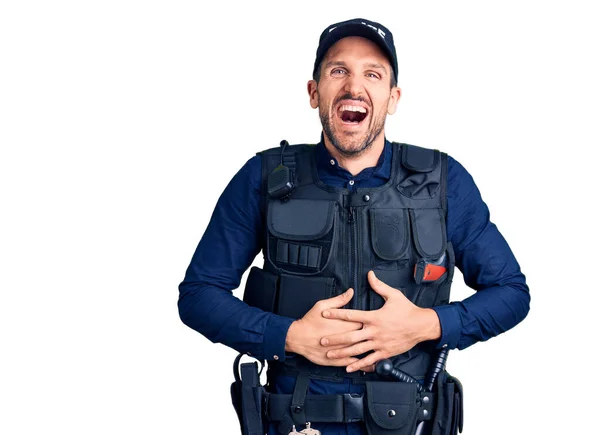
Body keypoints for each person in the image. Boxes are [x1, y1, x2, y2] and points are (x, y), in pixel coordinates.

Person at [178, 18, 530, 435]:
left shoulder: (444, 181)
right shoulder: (262, 177)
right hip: (297, 421)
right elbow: (198, 296)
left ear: (392, 97)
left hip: (409, 421)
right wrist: (288, 335)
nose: (353, 86)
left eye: (373, 74)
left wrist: (426, 325)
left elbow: (511, 293)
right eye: (338, 70)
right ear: (314, 92)